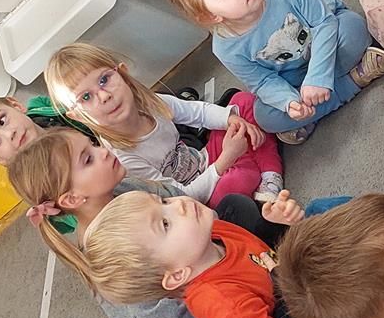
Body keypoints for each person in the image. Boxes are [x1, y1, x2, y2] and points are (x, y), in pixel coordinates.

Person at [5, 128, 234, 318]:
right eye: (88, 159)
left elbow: (184, 201)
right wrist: (218, 284)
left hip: (190, 266)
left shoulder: (125, 187)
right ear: (72, 199)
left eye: (93, 144)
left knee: (236, 208)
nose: (103, 152)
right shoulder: (109, 256)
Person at [159, 0, 384, 144]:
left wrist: (318, 77)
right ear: (211, 16)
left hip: (328, 37)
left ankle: (319, 105)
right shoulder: (225, 48)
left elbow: (324, 23)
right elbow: (263, 81)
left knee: (354, 28)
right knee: (265, 117)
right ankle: (354, 79)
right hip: (294, 77)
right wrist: (290, 102)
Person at [83, 190, 314, 318]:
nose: (179, 204)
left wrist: (273, 224)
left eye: (163, 201)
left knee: (319, 213)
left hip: (299, 295)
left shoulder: (211, 235)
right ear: (176, 275)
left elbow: (259, 256)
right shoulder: (219, 302)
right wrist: (288, 284)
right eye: (165, 224)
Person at [43, 42, 283, 203]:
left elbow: (197, 112)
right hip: (200, 195)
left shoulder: (149, 102)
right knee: (238, 181)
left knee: (242, 103)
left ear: (123, 73)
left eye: (104, 80)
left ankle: (270, 175)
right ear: (77, 116)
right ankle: (258, 163)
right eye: (86, 97)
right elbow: (182, 196)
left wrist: (230, 120)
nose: (104, 96)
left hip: (205, 159)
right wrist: (226, 160)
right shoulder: (123, 159)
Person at [0, 94, 93, 165]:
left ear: (16, 105)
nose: (9, 134)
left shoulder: (40, 107)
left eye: (2, 120)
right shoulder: (43, 187)